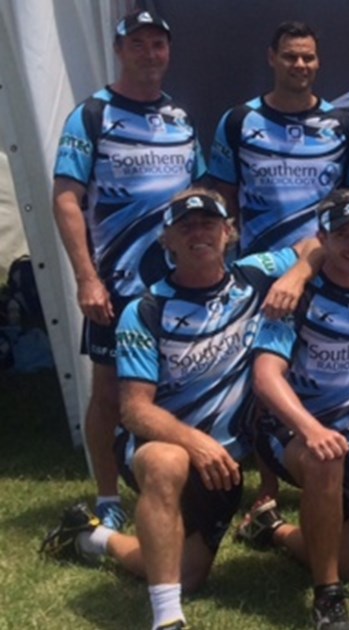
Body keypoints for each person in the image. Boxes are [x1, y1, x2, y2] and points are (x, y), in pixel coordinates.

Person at [40, 189, 318, 630]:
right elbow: (134, 412)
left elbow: (314, 244)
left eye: (209, 223)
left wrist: (298, 274)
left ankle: (91, 538)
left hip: (223, 466)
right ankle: (167, 619)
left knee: (187, 574)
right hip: (164, 449)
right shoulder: (144, 310)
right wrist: (196, 443)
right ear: (165, 240)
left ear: (229, 233)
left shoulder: (257, 275)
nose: (198, 233)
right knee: (168, 460)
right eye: (184, 227)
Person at [50, 9, 206, 532]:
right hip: (114, 288)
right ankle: (107, 496)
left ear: (168, 52)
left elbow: (198, 196)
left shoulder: (180, 118)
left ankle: (171, 484)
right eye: (137, 44)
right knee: (109, 391)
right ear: (120, 50)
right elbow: (66, 200)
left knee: (168, 391)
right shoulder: (91, 115)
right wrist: (86, 278)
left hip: (173, 287)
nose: (149, 53)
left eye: (157, 44)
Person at [235, 190, 349, 630]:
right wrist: (311, 430)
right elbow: (266, 377)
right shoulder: (295, 296)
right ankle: (328, 598)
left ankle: (270, 527)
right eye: (342, 235)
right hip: (292, 433)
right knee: (326, 459)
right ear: (321, 239)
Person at [209, 21, 349, 257]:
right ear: (272, 58)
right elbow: (225, 199)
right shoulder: (238, 121)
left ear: (318, 61)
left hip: (324, 267)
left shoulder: (344, 126)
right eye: (290, 57)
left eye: (308, 58)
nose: (300, 65)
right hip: (258, 268)